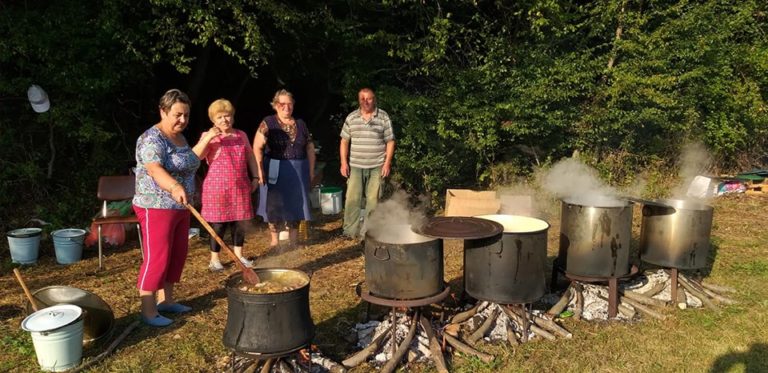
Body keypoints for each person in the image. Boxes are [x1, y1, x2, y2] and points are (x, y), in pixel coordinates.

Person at [133, 89, 200, 327]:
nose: (183, 120)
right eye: (177, 115)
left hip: (182, 206)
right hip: (156, 206)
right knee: (157, 257)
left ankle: (166, 301)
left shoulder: (180, 138)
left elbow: (188, 163)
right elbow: (154, 169)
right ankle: (148, 310)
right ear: (163, 111)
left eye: (186, 115)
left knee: (177, 254)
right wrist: (174, 186)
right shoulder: (152, 139)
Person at [192, 99, 259, 271]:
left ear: (233, 117)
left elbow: (250, 157)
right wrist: (208, 137)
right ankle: (215, 259)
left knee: (239, 222)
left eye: (227, 116)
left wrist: (256, 177)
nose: (224, 120)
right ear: (213, 120)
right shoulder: (208, 137)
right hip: (217, 189)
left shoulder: (241, 135)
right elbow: (195, 157)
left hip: (240, 186)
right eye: (219, 117)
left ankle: (239, 255)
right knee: (218, 224)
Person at [253, 89, 315, 248]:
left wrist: (311, 169)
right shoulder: (268, 122)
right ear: (275, 105)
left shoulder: (301, 123)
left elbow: (309, 147)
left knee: (296, 203)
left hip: (299, 168)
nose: (286, 107)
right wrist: (259, 170)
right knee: (273, 204)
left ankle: (294, 241)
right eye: (282, 104)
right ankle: (274, 241)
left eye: (289, 104)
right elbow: (257, 147)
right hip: (275, 167)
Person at [339, 88, 395, 240]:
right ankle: (349, 232)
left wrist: (387, 163)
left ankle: (370, 232)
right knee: (352, 199)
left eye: (369, 98)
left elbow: (390, 141)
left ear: (374, 99)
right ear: (359, 100)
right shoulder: (351, 118)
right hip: (356, 166)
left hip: (377, 166)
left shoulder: (383, 117)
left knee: (373, 200)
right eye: (362, 99)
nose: (366, 102)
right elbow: (344, 141)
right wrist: (343, 163)